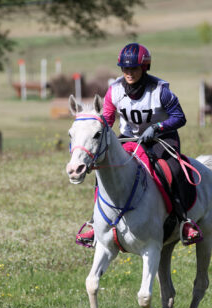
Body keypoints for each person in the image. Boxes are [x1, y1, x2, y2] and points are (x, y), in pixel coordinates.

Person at [76, 42, 201, 247]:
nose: (129, 73)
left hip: (162, 138)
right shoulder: (114, 90)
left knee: (171, 169)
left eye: (133, 68)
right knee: (105, 170)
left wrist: (158, 127)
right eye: (125, 68)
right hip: (128, 139)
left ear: (144, 68)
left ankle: (184, 221)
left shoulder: (161, 90)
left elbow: (180, 117)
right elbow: (107, 120)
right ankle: (94, 223)